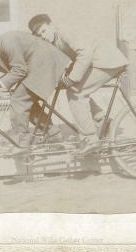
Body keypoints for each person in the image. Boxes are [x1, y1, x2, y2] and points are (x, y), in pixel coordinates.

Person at [27, 14, 129, 155]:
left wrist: (72, 78)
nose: (43, 36)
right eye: (39, 35)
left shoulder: (64, 31)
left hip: (107, 61)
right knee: (77, 89)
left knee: (76, 92)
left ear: (51, 25)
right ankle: (102, 121)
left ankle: (90, 139)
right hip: (97, 62)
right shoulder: (54, 40)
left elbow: (85, 54)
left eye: (44, 31)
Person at [0, 31, 69, 150]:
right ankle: (53, 133)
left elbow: (20, 70)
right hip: (34, 68)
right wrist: (0, 85)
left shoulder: (6, 41)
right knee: (24, 102)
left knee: (18, 101)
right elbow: (13, 72)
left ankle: (22, 143)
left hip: (46, 65)